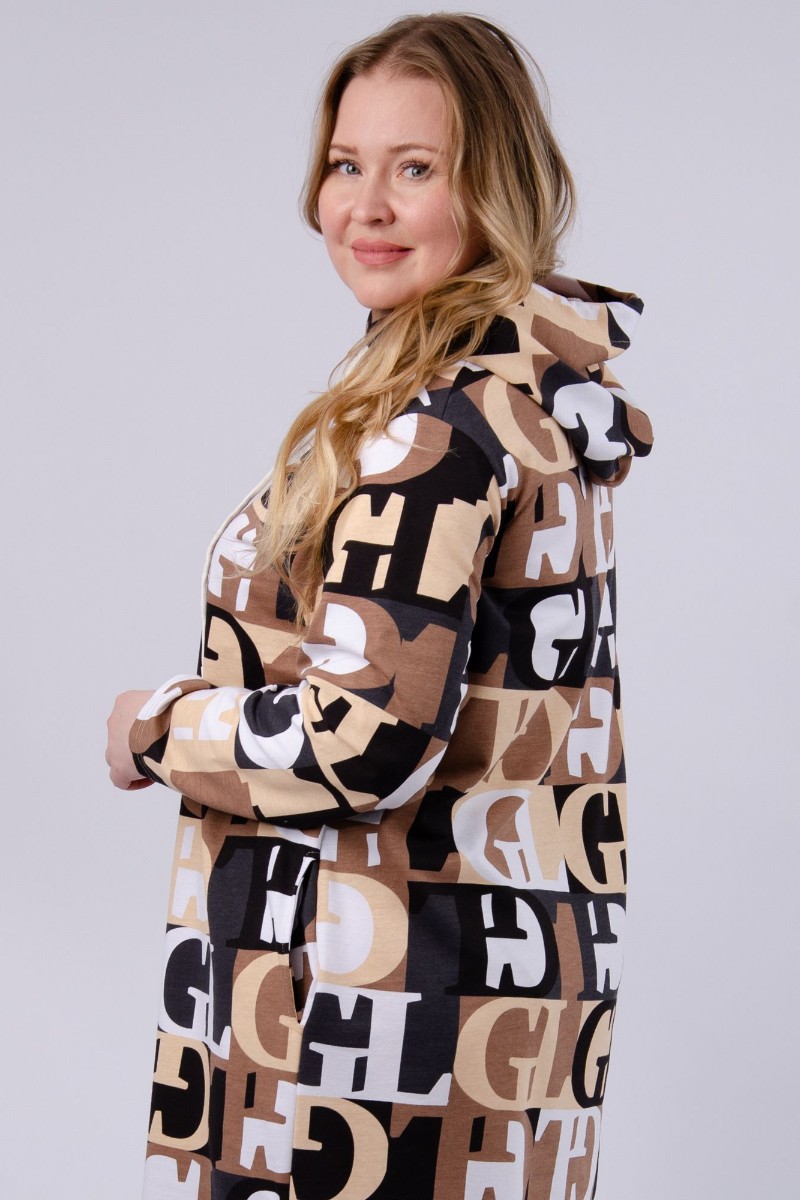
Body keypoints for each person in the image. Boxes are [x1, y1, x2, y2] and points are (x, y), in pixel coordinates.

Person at [106, 13, 652, 1199]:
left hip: (363, 1040)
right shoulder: (534, 397)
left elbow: (365, 739)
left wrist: (157, 726)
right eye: (346, 164)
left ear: (493, 183)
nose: (365, 206)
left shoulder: (438, 432)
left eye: (415, 168)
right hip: (488, 1039)